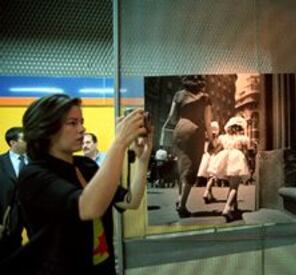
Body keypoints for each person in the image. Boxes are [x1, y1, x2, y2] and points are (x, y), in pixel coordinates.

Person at [0, 94, 152, 274]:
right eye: (72, 123)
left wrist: (143, 160)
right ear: (47, 129)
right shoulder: (34, 174)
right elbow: (88, 208)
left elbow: (130, 201)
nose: (82, 129)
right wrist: (119, 142)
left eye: (81, 121)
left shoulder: (85, 165)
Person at [160, 75, 213, 218]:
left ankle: (179, 198)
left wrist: (182, 120)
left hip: (180, 129)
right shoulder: (205, 98)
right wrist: (212, 140)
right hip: (195, 132)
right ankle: (182, 205)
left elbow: (171, 117)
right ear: (201, 83)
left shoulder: (178, 95)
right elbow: (208, 123)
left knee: (181, 165)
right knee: (191, 167)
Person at [207, 116, 250, 222]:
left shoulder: (223, 138)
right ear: (240, 128)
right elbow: (246, 151)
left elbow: (217, 149)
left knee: (231, 186)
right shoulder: (242, 138)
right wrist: (249, 163)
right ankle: (227, 208)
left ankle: (234, 207)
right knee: (234, 187)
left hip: (226, 159)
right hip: (237, 159)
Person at [0, 127, 27, 261]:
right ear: (12, 143)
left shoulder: (36, 161)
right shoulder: (1, 162)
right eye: (24, 139)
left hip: (32, 210)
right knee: (9, 247)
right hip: (9, 213)